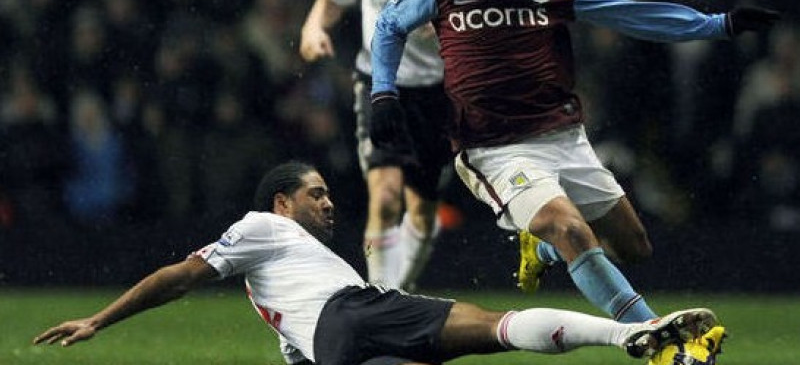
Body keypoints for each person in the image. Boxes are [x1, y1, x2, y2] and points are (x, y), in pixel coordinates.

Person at [368, 0, 779, 324]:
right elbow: (389, 25)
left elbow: (629, 14)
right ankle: (656, 334)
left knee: (634, 247)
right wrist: (383, 92)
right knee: (568, 228)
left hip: (564, 136)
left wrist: (718, 24)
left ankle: (540, 248)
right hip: (494, 147)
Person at [33, 161, 719, 365]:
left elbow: (302, 356)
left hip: (332, 343)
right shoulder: (260, 228)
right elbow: (179, 276)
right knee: (495, 327)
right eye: (317, 193)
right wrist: (103, 317)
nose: (330, 204)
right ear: (282, 201)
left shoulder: (282, 291)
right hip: (356, 313)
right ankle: (632, 335)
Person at [299, 0, 474, 290]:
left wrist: (446, 21)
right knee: (385, 195)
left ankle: (400, 290)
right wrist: (313, 28)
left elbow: (478, 10)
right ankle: (381, 298)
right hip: (380, 85)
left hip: (437, 93)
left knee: (423, 213)